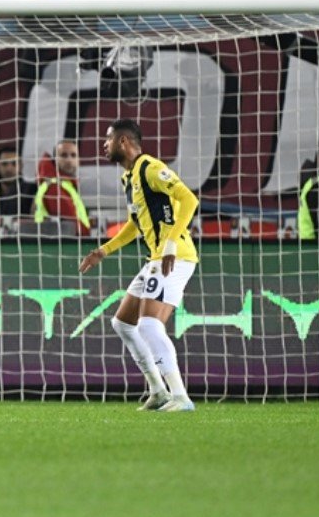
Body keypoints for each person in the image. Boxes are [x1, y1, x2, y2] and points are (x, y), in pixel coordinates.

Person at [78, 119, 199, 413]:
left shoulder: (150, 168)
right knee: (122, 323)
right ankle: (158, 390)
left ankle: (180, 396)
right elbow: (134, 225)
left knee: (148, 324)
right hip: (156, 258)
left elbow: (188, 198)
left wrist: (169, 243)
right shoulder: (128, 179)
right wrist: (103, 251)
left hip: (175, 255)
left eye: (107, 139)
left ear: (123, 141)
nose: (103, 145)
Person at [33, 139, 92, 235]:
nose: (69, 160)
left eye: (73, 155)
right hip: (64, 246)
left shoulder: (64, 184)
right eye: (63, 155)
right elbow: (71, 224)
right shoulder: (54, 186)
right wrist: (88, 237)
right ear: (54, 160)